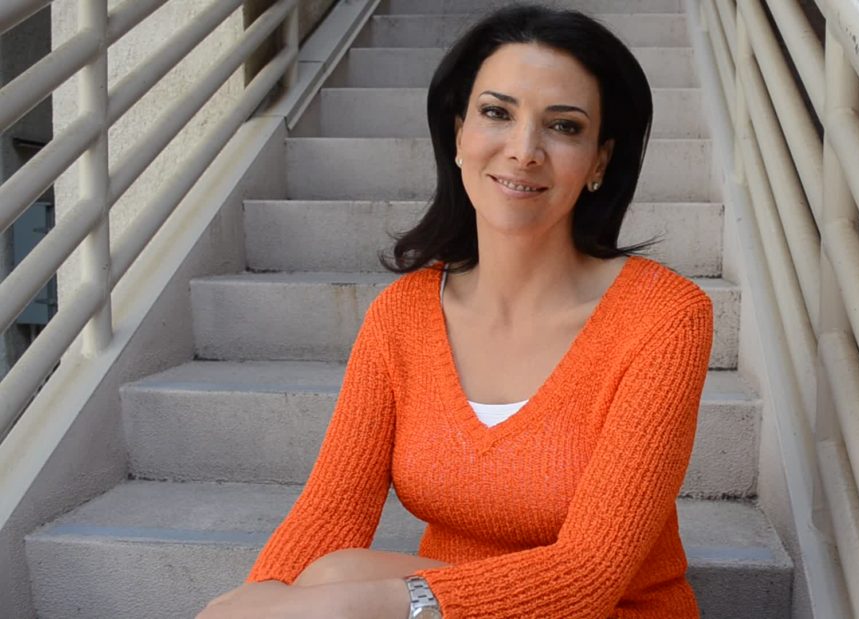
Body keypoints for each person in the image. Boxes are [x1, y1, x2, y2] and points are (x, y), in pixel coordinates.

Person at [197, 4, 712, 618]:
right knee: (325, 572)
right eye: (497, 113)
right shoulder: (403, 316)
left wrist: (393, 606)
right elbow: (331, 510)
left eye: (563, 126)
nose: (524, 150)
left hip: (603, 609)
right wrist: (257, 601)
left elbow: (589, 575)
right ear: (459, 132)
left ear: (600, 160)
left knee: (338, 590)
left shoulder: (663, 317)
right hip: (452, 603)